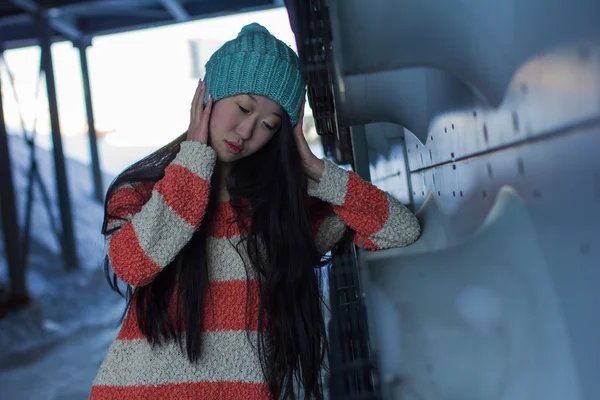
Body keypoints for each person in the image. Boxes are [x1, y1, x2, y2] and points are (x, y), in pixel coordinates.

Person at [90, 23, 420, 400]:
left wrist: (318, 170)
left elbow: (399, 228)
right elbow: (133, 265)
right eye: (243, 107)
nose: (246, 130)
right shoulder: (143, 191)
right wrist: (194, 161)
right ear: (207, 97)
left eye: (268, 124)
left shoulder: (284, 212)